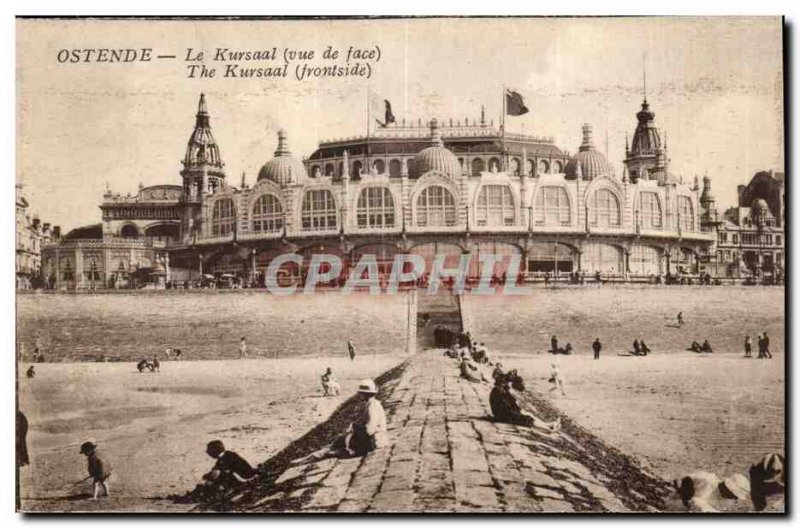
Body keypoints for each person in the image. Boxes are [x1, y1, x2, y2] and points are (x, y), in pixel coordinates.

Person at [296, 379, 387, 462]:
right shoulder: (372, 404)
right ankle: (313, 456)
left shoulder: (372, 407)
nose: (359, 395)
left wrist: (355, 428)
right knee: (335, 445)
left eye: (361, 393)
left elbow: (369, 430)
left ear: (363, 394)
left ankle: (307, 459)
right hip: (376, 440)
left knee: (335, 446)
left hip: (373, 443)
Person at [490, 372, 560, 432]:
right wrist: (517, 412)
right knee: (527, 418)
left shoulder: (498, 390)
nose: (507, 385)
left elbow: (509, 404)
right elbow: (506, 407)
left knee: (527, 414)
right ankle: (548, 429)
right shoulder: (499, 392)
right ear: (502, 383)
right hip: (503, 416)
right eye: (506, 383)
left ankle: (547, 425)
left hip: (502, 414)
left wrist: (518, 410)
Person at [192, 440, 257, 500]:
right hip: (244, 477)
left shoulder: (227, 457)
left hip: (245, 479)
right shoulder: (227, 455)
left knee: (218, 477)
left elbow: (217, 472)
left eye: (209, 450)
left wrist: (209, 479)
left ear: (214, 451)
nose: (208, 453)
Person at [672, 471, 750, 512]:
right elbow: (682, 481)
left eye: (735, 497)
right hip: (676, 503)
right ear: (727, 488)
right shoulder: (707, 479)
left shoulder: (725, 501)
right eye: (733, 495)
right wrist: (687, 498)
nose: (734, 498)